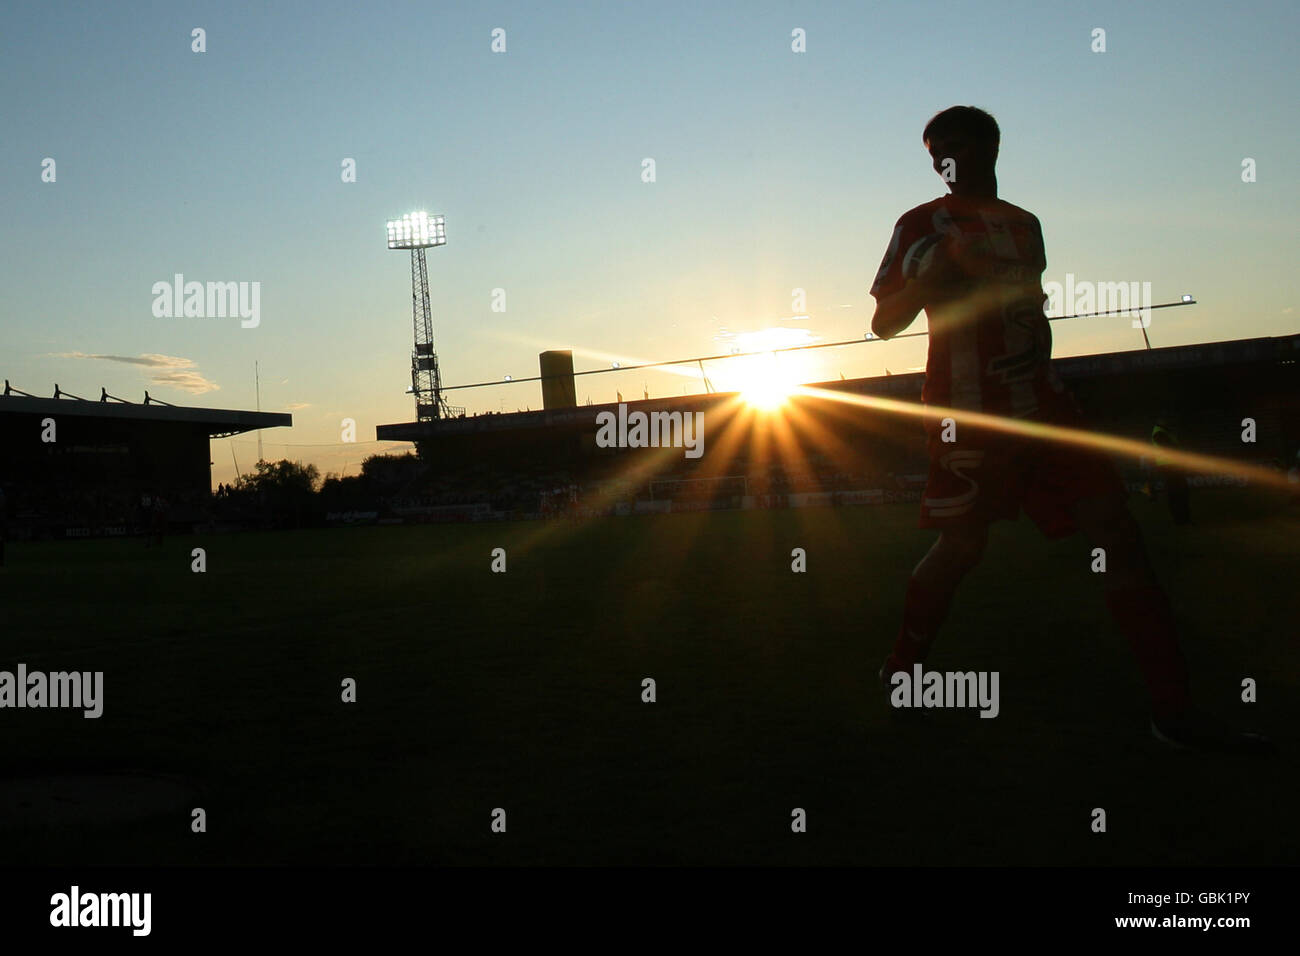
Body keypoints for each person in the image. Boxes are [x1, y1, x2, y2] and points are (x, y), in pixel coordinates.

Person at [868, 105, 1271, 753]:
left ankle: (1172, 711)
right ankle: (902, 671)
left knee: (1117, 530)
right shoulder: (919, 224)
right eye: (935, 153)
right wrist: (926, 280)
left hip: (1045, 404)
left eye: (957, 147)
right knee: (962, 548)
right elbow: (885, 323)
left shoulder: (1025, 225)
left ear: (991, 148)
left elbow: (1025, 310)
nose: (946, 162)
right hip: (969, 410)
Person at [1151, 418, 1191, 524]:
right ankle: (1180, 519)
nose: (1167, 420)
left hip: (1170, 466)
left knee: (1178, 492)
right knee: (1177, 493)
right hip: (1170, 466)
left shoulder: (1162, 432)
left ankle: (1181, 518)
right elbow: (1171, 448)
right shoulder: (1159, 433)